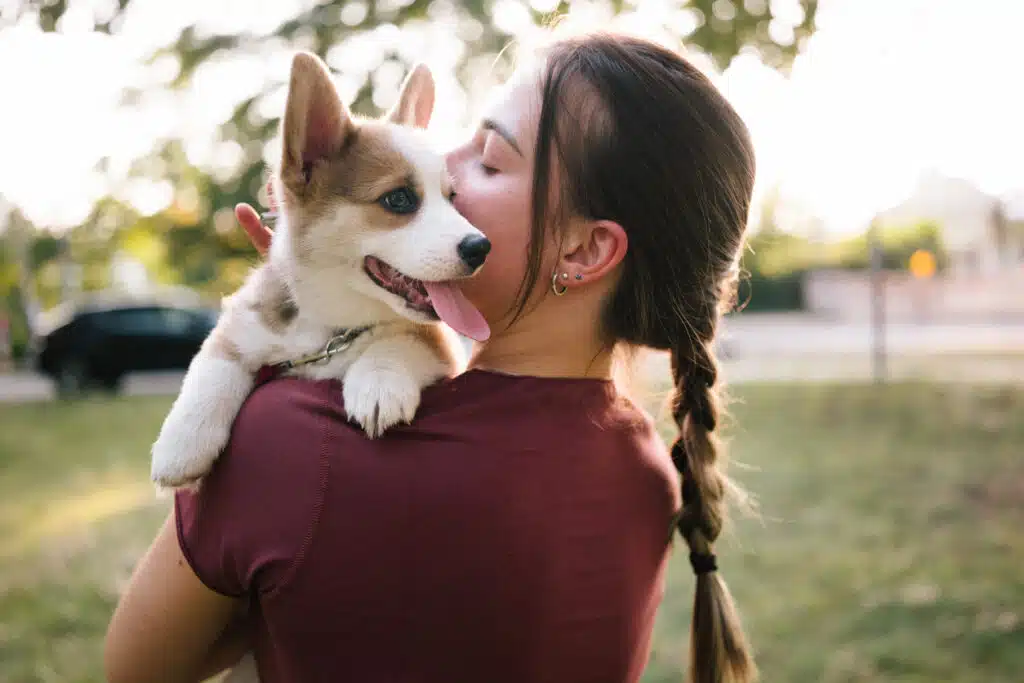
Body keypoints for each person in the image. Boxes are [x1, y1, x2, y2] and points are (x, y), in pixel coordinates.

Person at [105, 29, 757, 683]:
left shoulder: (293, 444)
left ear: (583, 252)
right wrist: (331, 299)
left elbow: (137, 667)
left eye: (489, 160)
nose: (444, 161)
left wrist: (288, 366)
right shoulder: (647, 469)